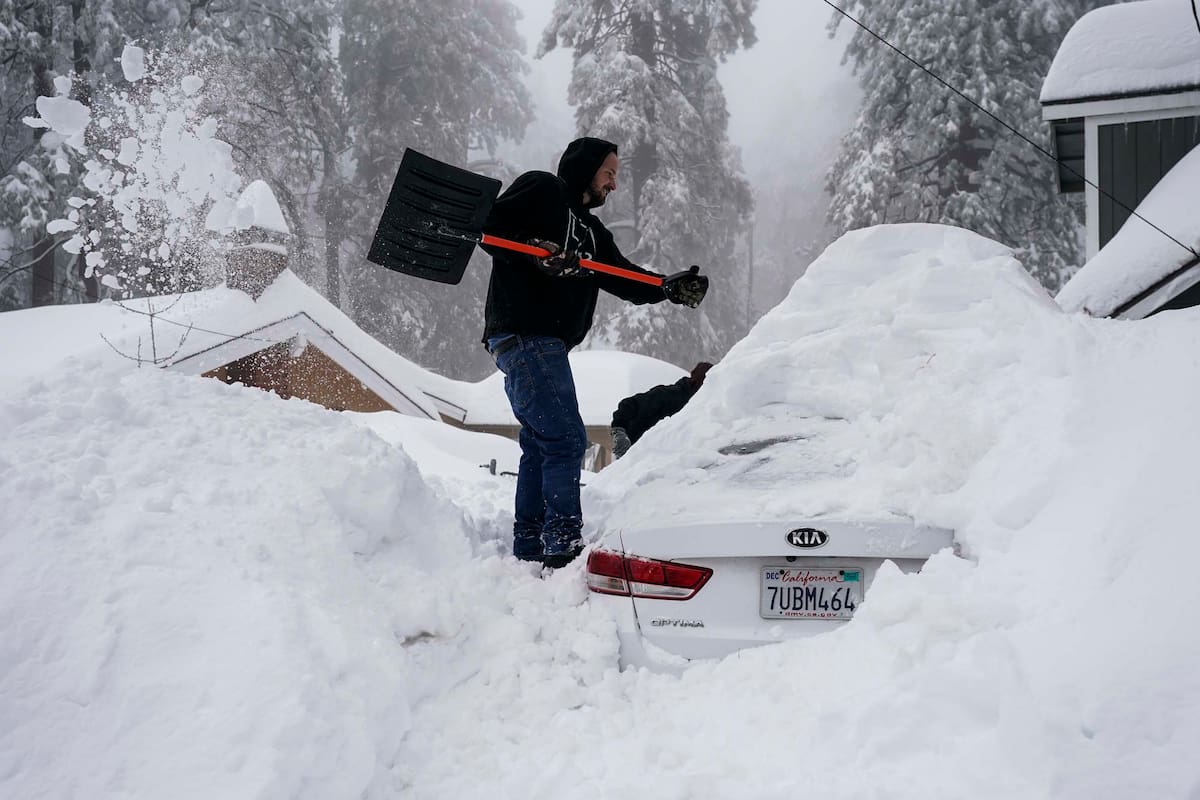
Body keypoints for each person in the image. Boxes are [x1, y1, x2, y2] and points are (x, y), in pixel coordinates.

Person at [481, 136, 709, 568]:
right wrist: (538, 253)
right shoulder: (542, 189)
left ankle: (529, 543)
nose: (614, 185)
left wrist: (666, 286)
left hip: (543, 346)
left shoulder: (592, 233)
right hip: (527, 335)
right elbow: (491, 229)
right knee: (568, 439)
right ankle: (562, 542)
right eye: (609, 173)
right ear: (586, 169)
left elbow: (623, 277)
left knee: (542, 442)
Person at [610, 362, 713, 459]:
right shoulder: (668, 395)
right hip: (636, 456)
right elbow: (629, 404)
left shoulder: (706, 408)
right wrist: (619, 431)